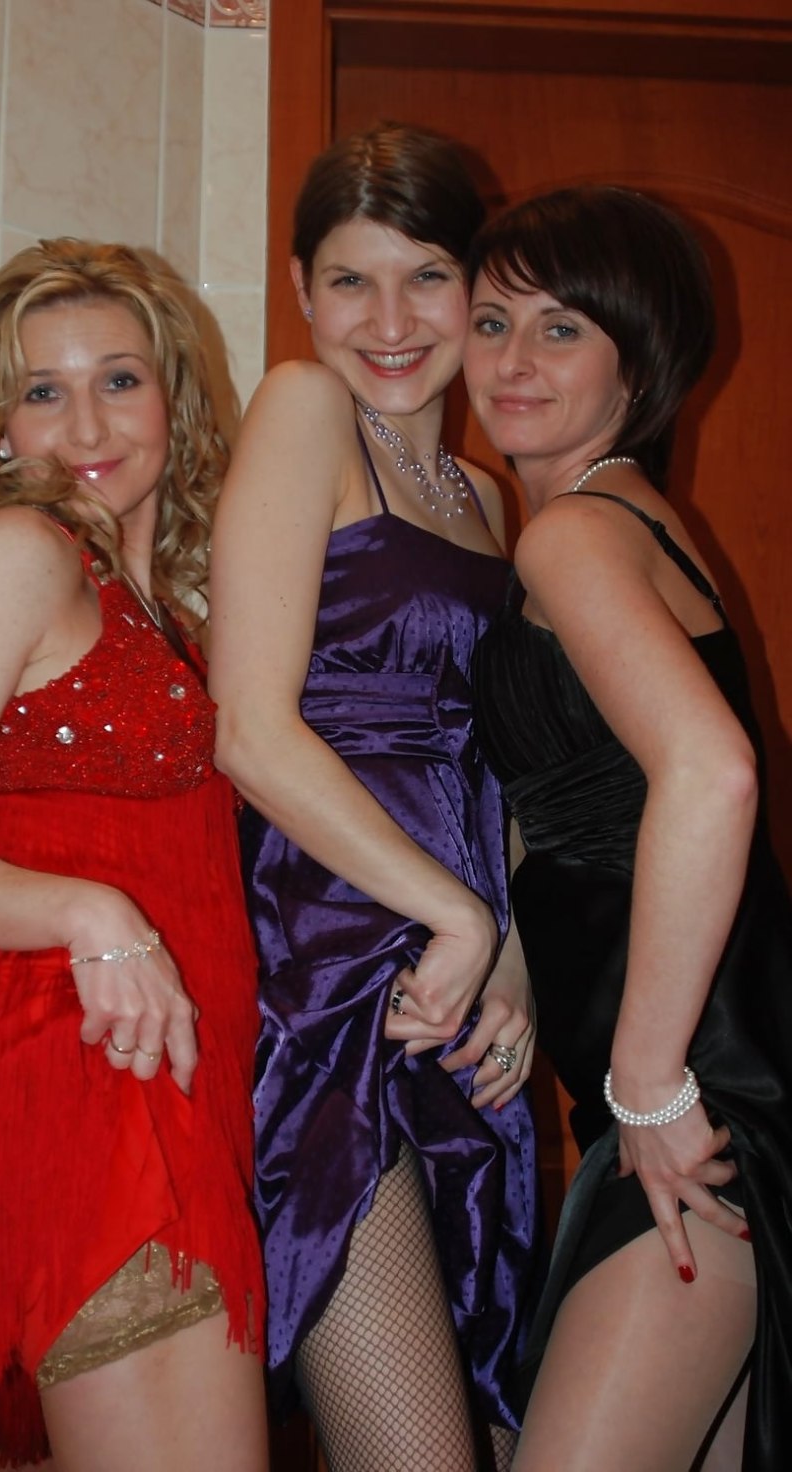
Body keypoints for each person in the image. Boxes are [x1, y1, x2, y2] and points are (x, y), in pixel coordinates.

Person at [0, 239, 268, 1471]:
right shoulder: (20, 552)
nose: (86, 423)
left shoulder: (164, 611)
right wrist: (93, 912)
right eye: (43, 390)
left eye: (119, 379)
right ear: (0, 423)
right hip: (88, 1092)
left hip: (175, 1089)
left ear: (173, 399)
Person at [208, 122, 541, 1472]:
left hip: (455, 990)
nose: (390, 322)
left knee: (500, 1419)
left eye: (427, 277)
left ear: (476, 288)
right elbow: (249, 731)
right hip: (331, 974)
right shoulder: (305, 407)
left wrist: (504, 952)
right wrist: (458, 918)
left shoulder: (488, 496)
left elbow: (490, 758)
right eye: (351, 279)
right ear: (300, 287)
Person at [464, 186, 792, 1472]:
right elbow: (586, 801)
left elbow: (710, 776)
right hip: (708, 1082)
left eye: (561, 329)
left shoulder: (575, 535)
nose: (511, 359)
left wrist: (650, 1078)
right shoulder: (616, 517)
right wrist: (511, 958)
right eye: (493, 320)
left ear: (638, 363)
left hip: (700, 1097)